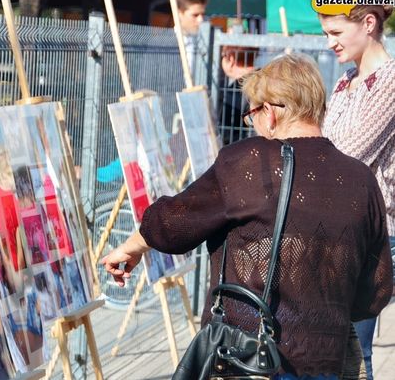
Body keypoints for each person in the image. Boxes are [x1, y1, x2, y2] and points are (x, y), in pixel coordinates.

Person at [102, 54, 393, 377]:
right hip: (326, 362)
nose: (251, 123)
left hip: (247, 357)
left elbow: (173, 223)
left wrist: (130, 247)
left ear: (269, 113)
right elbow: (376, 289)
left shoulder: (251, 162)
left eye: (251, 113)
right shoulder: (359, 178)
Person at [319, 0, 395, 379]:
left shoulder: (391, 81)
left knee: (354, 355)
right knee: (338, 350)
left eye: (335, 31)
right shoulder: (346, 80)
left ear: (368, 23)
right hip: (340, 230)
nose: (329, 42)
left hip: (372, 236)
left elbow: (346, 155)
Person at [218, 45, 259, 145]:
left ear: (231, 59)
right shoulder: (265, 79)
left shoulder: (234, 91)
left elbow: (226, 134)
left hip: (243, 150)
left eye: (222, 56)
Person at [175, 0, 207, 71]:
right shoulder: (162, 44)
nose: (201, 20)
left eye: (203, 14)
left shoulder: (205, 44)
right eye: (195, 15)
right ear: (179, 14)